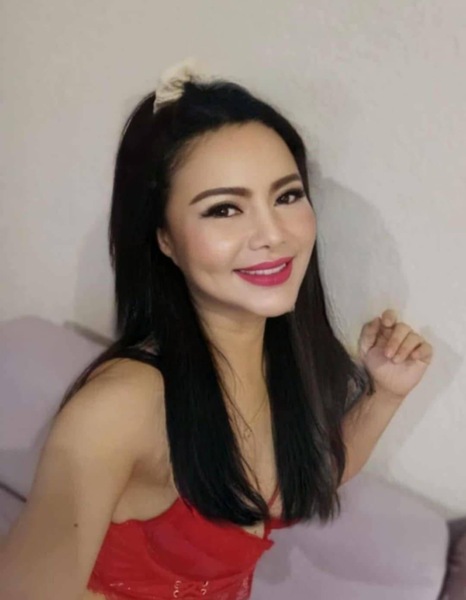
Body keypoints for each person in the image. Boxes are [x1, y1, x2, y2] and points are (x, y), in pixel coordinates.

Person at [0, 57, 433, 600]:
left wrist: (385, 394)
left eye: (287, 196)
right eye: (225, 210)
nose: (273, 234)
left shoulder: (280, 360)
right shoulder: (121, 407)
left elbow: (297, 483)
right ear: (164, 238)